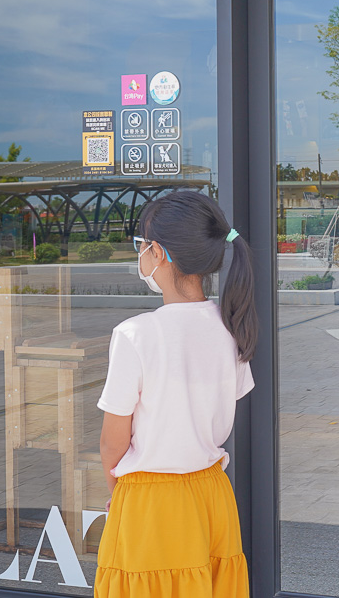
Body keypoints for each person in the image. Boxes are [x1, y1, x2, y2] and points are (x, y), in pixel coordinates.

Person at [95, 191, 256, 598]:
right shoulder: (230, 325)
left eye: (142, 245)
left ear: (159, 253)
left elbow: (113, 441)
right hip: (211, 495)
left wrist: (121, 492)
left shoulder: (136, 334)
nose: (140, 254)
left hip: (151, 502)